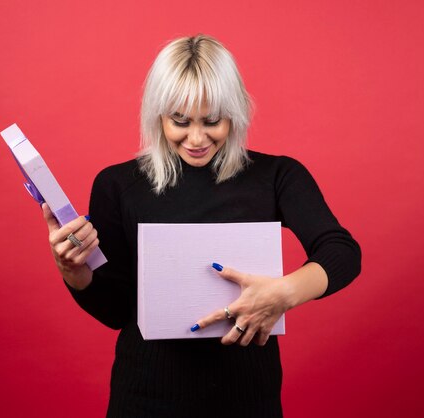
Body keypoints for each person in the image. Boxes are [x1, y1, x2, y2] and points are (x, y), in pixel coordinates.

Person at [42, 34, 361, 418]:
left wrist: (284, 293)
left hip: (247, 400)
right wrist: (73, 269)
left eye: (212, 121)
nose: (196, 138)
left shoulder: (278, 175)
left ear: (236, 113)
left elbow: (341, 251)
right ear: (157, 115)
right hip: (145, 399)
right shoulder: (116, 184)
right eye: (180, 121)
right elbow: (114, 310)